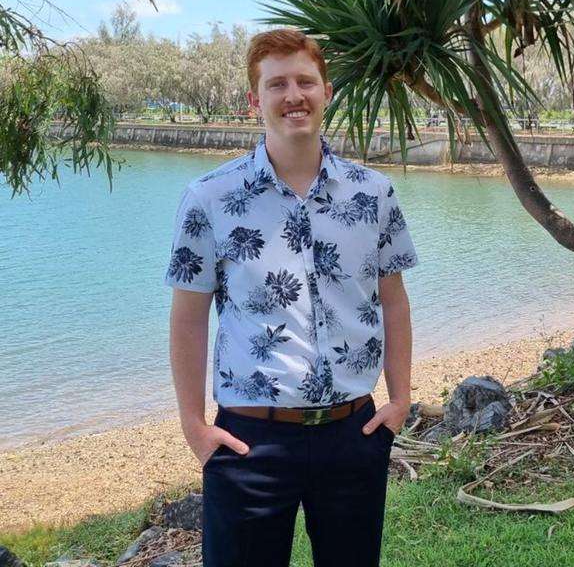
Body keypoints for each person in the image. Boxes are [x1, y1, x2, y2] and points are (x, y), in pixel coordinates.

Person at [165, 28, 417, 567]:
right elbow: (189, 317)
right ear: (255, 100)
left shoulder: (373, 194)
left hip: (354, 432)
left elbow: (393, 299)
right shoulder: (210, 198)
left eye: (305, 81)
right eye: (276, 84)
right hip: (250, 439)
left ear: (327, 91)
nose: (293, 95)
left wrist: (399, 400)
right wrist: (194, 426)